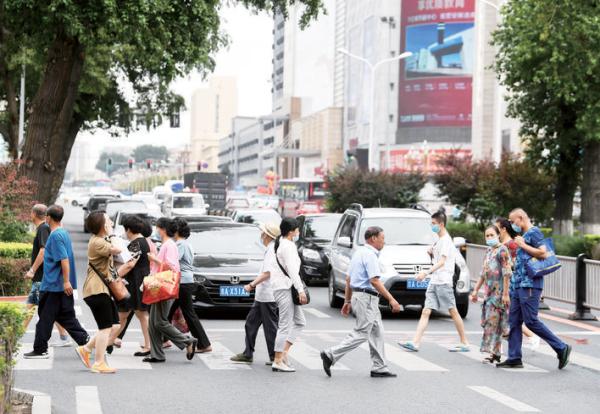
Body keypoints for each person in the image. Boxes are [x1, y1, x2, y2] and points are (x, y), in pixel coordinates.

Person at [320, 226, 401, 378]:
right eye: (382, 238)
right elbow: (375, 281)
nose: (384, 241)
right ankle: (330, 354)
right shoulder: (370, 255)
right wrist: (392, 299)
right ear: (374, 238)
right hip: (367, 298)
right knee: (362, 333)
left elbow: (349, 279)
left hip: (361, 297)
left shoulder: (359, 253)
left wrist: (347, 301)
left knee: (377, 331)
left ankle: (379, 367)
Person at [497, 208, 571, 369]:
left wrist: (522, 245)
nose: (511, 224)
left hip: (530, 285)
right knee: (514, 321)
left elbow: (543, 254)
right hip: (519, 284)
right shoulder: (523, 235)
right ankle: (514, 357)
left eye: (512, 220)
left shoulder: (534, 232)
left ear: (521, 218)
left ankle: (561, 347)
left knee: (530, 321)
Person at [75, 211, 138, 373]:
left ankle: (86, 349)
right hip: (95, 290)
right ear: (102, 225)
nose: (110, 222)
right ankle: (99, 362)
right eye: (108, 220)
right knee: (105, 328)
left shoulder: (101, 240)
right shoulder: (97, 242)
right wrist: (111, 232)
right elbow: (119, 250)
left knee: (115, 325)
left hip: (102, 289)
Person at [399, 211, 469, 352]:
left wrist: (425, 272)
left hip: (443, 282)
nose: (431, 226)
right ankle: (415, 342)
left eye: (433, 224)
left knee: (453, 311)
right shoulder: (439, 240)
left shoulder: (446, 241)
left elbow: (442, 262)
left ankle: (465, 342)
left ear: (441, 224)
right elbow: (439, 260)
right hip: (435, 281)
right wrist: (432, 253)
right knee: (425, 311)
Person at [24, 205, 89, 359]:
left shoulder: (55, 236)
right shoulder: (63, 233)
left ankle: (40, 350)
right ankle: (86, 341)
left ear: (48, 218)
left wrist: (66, 281)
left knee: (44, 318)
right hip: (60, 286)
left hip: (54, 286)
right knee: (66, 317)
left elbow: (64, 259)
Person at [144, 217, 197, 363]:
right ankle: (157, 355)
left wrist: (153, 259)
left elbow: (171, 267)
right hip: (158, 285)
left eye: (157, 227)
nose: (156, 230)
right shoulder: (167, 244)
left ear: (162, 229)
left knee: (159, 322)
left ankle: (188, 341)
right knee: (153, 322)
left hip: (164, 286)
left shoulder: (170, 245)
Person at [231, 222, 280, 365]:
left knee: (270, 328)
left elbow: (267, 273)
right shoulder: (270, 249)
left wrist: (251, 285)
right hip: (262, 296)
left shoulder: (272, 250)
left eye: (262, 233)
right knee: (250, 324)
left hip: (268, 296)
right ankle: (248, 353)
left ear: (267, 236)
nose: (261, 235)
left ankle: (274, 357)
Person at [23, 204, 71, 347]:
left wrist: (32, 270)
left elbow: (43, 251)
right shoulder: (44, 228)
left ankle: (15, 336)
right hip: (41, 277)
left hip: (42, 277)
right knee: (38, 308)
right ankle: (64, 337)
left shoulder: (43, 228)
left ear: (33, 214)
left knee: (36, 308)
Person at [167, 218, 212, 353]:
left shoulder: (180, 245)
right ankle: (163, 339)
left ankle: (204, 344)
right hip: (183, 282)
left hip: (182, 283)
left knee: (188, 314)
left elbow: (172, 262)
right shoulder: (186, 244)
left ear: (176, 231)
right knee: (167, 313)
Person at [269, 218, 307, 373]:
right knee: (285, 325)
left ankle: (283, 353)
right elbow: (292, 270)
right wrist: (300, 290)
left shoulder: (282, 244)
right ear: (291, 231)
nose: (298, 232)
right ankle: (277, 360)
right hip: (285, 288)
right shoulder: (288, 246)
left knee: (300, 322)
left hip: (284, 287)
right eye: (297, 230)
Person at [496, 217, 540, 349]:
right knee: (504, 316)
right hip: (503, 283)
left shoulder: (512, 244)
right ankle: (505, 344)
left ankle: (530, 336)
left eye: (496, 229)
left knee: (508, 316)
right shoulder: (503, 244)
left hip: (511, 284)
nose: (495, 232)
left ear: (503, 229)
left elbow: (516, 265)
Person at [469, 226, 512, 363]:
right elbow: (484, 273)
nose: (489, 238)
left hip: (499, 294)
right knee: (492, 323)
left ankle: (498, 352)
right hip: (489, 294)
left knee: (496, 323)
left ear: (498, 234)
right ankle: (496, 353)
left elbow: (506, 273)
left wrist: (505, 294)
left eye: (491, 235)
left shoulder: (503, 250)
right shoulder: (488, 251)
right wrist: (475, 290)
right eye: (486, 236)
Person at [114, 215, 152, 356]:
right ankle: (110, 341)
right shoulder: (143, 241)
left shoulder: (137, 243)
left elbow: (130, 264)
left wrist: (115, 276)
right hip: (137, 280)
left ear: (128, 229)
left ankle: (148, 346)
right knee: (124, 313)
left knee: (141, 314)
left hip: (137, 282)